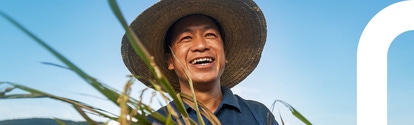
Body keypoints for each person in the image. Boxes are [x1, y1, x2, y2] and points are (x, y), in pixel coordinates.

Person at [121, 0, 278, 124]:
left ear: (225, 54)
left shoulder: (259, 114)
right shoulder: (153, 122)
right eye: (186, 38)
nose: (201, 46)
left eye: (210, 35)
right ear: (170, 61)